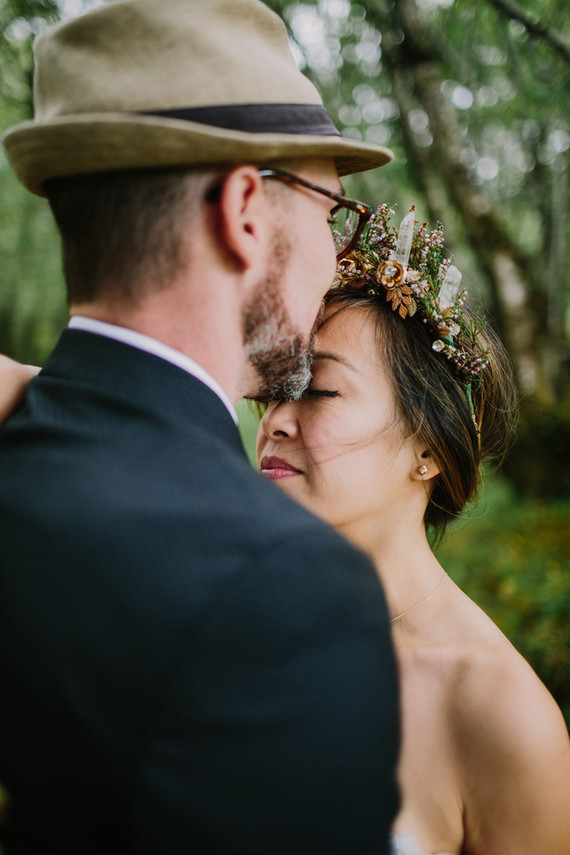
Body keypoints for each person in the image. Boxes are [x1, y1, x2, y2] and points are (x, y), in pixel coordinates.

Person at [0, 0, 401, 852]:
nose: (335, 265)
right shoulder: (283, 589)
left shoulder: (19, 455)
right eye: (333, 214)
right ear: (246, 209)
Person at [256, 205, 570, 855]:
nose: (276, 420)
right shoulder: (222, 628)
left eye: (317, 387)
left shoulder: (500, 716)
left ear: (429, 446)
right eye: (274, 385)